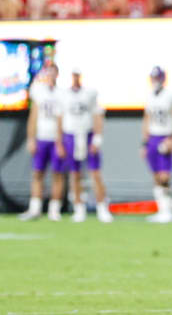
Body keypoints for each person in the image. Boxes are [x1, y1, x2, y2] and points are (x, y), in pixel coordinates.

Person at [56, 68, 112, 223]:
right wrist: (59, 142)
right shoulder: (63, 95)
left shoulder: (90, 94)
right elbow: (60, 118)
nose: (75, 78)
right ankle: (79, 208)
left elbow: (97, 115)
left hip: (87, 134)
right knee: (75, 174)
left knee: (95, 173)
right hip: (70, 135)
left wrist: (97, 139)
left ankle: (102, 208)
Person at [20, 65, 66, 221]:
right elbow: (33, 116)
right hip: (41, 137)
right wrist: (31, 138)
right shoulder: (39, 91)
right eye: (48, 72)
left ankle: (54, 209)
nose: (50, 75)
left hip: (55, 139)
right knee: (37, 173)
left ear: (57, 74)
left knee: (57, 174)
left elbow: (62, 119)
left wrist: (60, 141)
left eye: (53, 72)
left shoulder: (61, 94)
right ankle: (35, 208)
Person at [142, 66, 172, 223]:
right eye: (153, 77)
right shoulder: (150, 96)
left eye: (157, 77)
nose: (155, 81)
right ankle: (163, 209)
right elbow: (147, 120)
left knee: (165, 175)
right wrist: (144, 142)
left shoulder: (171, 96)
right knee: (155, 175)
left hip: (166, 136)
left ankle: (169, 209)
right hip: (153, 137)